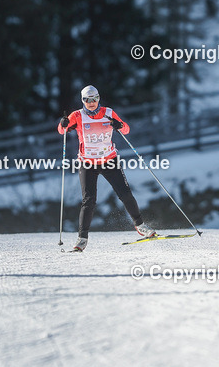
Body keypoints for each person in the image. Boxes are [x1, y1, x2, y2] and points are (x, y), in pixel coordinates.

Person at [58, 85, 155, 252]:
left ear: (98, 98)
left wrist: (118, 125)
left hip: (109, 160)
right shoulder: (77, 116)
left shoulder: (108, 113)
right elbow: (62, 131)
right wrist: (63, 123)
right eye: (88, 100)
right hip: (87, 163)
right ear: (83, 101)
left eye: (94, 99)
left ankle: (140, 226)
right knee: (89, 201)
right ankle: (82, 238)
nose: (91, 103)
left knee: (125, 193)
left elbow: (126, 128)